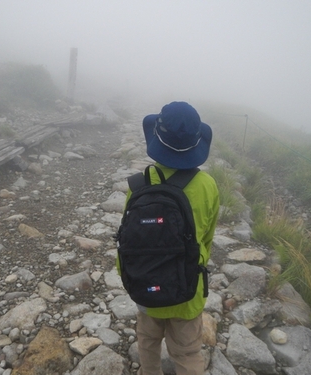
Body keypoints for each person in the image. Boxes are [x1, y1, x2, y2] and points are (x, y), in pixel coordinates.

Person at [118, 101, 219, 375]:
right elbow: (207, 239)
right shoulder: (208, 186)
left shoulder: (138, 186)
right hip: (187, 291)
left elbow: (126, 240)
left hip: (146, 288)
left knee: (148, 342)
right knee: (187, 353)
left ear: (156, 139)